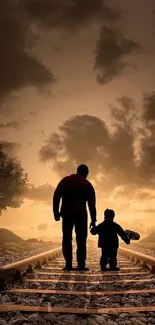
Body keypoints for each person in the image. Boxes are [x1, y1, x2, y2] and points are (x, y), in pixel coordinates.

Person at [53, 164, 97, 271]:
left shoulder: (65, 180)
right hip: (81, 215)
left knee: (67, 238)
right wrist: (93, 220)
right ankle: (81, 265)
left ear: (77, 171)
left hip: (67, 214)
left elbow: (56, 196)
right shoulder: (87, 184)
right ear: (86, 173)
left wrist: (56, 212)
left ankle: (68, 264)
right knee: (81, 240)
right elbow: (91, 204)